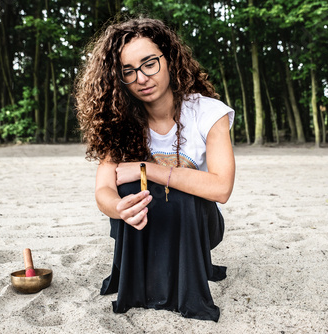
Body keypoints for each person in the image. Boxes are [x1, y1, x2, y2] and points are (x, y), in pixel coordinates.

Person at [75, 17, 235, 322]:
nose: (141, 77)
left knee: (184, 192)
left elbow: (221, 189)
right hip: (143, 224)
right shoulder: (118, 120)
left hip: (200, 226)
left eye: (149, 64)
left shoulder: (208, 113)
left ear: (169, 59)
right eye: (128, 71)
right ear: (117, 79)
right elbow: (104, 190)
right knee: (131, 190)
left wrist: (147, 168)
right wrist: (120, 208)